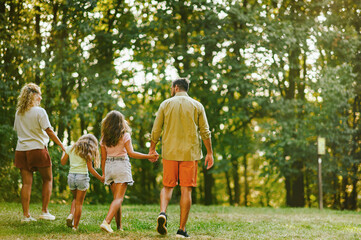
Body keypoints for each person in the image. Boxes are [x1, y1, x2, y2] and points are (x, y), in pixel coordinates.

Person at [149, 78, 214, 238]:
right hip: (189, 154)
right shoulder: (197, 105)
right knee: (186, 190)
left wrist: (152, 147)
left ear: (176, 87)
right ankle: (181, 230)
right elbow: (205, 131)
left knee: (167, 186)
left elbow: (156, 129)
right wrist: (209, 152)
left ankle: (163, 212)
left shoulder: (165, 104)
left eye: (171, 87)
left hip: (170, 152)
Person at [99, 110, 159, 233]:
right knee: (119, 199)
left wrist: (104, 173)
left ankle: (119, 227)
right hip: (121, 166)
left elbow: (103, 158)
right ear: (121, 123)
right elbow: (131, 153)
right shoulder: (125, 135)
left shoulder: (104, 138)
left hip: (109, 167)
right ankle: (106, 222)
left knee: (116, 199)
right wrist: (149, 156)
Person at [14, 83, 66, 222]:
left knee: (26, 183)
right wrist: (61, 145)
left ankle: (26, 216)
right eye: (39, 94)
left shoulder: (19, 112)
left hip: (21, 150)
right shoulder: (40, 111)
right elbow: (49, 130)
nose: (41, 97)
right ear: (33, 95)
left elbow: (17, 130)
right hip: (37, 149)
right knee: (47, 179)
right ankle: (44, 212)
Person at [60, 134, 104, 231]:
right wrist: (100, 178)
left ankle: (71, 215)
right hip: (82, 177)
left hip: (71, 177)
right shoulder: (87, 151)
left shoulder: (71, 148)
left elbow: (62, 162)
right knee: (79, 203)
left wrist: (65, 151)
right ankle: (75, 227)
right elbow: (90, 169)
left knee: (75, 198)